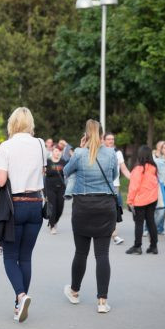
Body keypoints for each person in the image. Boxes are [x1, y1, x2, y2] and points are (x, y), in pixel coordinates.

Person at [0, 107, 45, 323]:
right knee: (26, 256)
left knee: (9, 256)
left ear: (12, 123)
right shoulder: (41, 144)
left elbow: (1, 181)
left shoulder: (6, 146)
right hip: (36, 203)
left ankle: (21, 295)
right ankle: (19, 305)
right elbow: (43, 172)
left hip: (14, 206)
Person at [63, 119, 117, 314]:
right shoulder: (111, 154)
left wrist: (80, 149)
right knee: (102, 255)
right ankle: (102, 301)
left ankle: (75, 292)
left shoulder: (79, 153)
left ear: (85, 135)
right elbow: (114, 174)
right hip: (105, 206)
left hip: (83, 207)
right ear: (102, 136)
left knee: (81, 252)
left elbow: (66, 171)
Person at [125, 146, 159, 254]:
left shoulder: (138, 169)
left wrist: (129, 201)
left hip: (140, 200)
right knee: (151, 222)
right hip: (152, 199)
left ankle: (137, 246)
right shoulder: (154, 168)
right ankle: (153, 246)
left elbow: (133, 186)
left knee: (139, 224)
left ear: (140, 155)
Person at [103, 132, 130, 245]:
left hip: (115, 186)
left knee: (114, 209)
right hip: (101, 186)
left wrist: (134, 179)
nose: (111, 141)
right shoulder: (100, 152)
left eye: (112, 139)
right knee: (103, 209)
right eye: (108, 139)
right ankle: (103, 230)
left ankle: (114, 234)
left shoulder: (118, 153)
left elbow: (123, 169)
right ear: (103, 140)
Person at [45, 144, 66, 234]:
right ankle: (52, 225)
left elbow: (67, 173)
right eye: (56, 151)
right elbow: (43, 175)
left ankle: (54, 221)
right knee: (52, 206)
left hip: (61, 187)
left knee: (60, 207)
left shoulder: (63, 162)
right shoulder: (48, 162)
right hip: (50, 187)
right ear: (52, 152)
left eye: (59, 151)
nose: (57, 153)